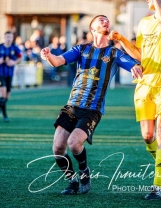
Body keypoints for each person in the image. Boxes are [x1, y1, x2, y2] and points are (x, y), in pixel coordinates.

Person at [40, 15, 142, 195]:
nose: (106, 21)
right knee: (57, 149)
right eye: (101, 20)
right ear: (92, 28)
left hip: (92, 110)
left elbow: (134, 62)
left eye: (107, 20)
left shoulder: (114, 53)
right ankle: (72, 181)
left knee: (74, 143)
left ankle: (84, 171)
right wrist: (48, 56)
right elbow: (57, 61)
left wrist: (135, 66)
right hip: (72, 106)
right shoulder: (82, 49)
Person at [109, 0, 161, 200]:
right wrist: (122, 40)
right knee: (147, 135)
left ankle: (158, 185)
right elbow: (140, 55)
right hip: (145, 83)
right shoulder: (143, 23)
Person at [0, 31, 22, 122]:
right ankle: (5, 115)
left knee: (6, 97)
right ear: (5, 38)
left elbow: (20, 57)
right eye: (7, 37)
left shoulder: (14, 48)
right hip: (0, 73)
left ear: (12, 38)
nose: (9, 39)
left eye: (10, 37)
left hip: (9, 74)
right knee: (3, 93)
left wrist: (14, 62)